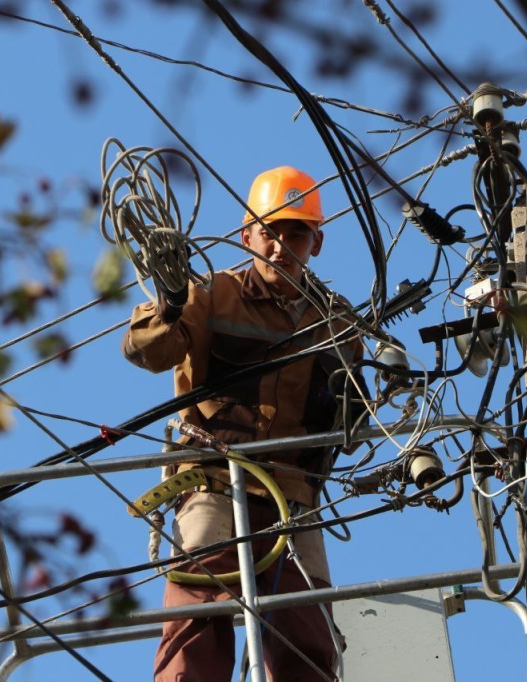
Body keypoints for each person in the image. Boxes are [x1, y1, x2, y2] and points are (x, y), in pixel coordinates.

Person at [122, 166, 364, 681]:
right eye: (270, 232)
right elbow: (147, 350)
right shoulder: (211, 293)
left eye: (295, 233)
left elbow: (356, 413)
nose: (281, 246)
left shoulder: (338, 321)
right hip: (215, 482)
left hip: (294, 495)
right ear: (246, 235)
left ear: (316, 242)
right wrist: (169, 303)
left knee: (308, 636)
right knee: (198, 622)